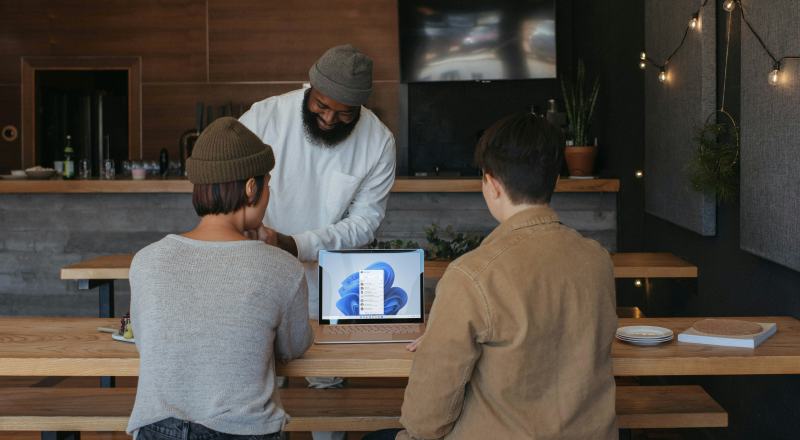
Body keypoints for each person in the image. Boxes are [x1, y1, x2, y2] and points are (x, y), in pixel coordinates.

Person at [364, 114, 618, 440]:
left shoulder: (472, 275)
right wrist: (449, 333)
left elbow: (426, 420)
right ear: (554, 178)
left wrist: (446, 338)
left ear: (492, 184)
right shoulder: (597, 259)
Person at [240, 44, 396, 440]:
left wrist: (294, 244)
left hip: (328, 282)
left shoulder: (378, 142)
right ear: (310, 86)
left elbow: (364, 224)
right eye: (322, 106)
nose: (330, 118)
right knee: (260, 383)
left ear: (361, 107)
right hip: (257, 272)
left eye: (345, 113)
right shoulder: (264, 117)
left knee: (327, 388)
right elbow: (228, 186)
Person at [127, 117, 314, 440]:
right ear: (251, 188)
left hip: (158, 429)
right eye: (268, 184)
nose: (268, 194)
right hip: (244, 430)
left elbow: (148, 343)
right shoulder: (282, 267)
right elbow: (295, 345)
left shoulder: (146, 260)